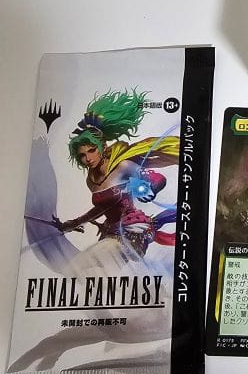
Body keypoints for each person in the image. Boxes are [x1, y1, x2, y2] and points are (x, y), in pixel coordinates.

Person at [56, 90, 178, 272]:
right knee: (87, 270)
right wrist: (75, 222)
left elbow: (157, 178)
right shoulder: (91, 180)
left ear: (102, 148)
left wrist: (150, 188)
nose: (88, 158)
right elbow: (102, 208)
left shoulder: (123, 167)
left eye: (91, 151)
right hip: (110, 232)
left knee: (97, 267)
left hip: (132, 230)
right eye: (82, 155)